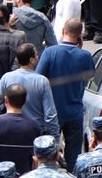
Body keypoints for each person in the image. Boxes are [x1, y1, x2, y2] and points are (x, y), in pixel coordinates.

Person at [35, 19, 95, 165]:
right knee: (73, 155)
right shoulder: (85, 56)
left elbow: (38, 78)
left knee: (49, 152)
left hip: (52, 112)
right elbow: (90, 76)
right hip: (74, 112)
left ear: (63, 31)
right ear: (80, 35)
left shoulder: (50, 52)